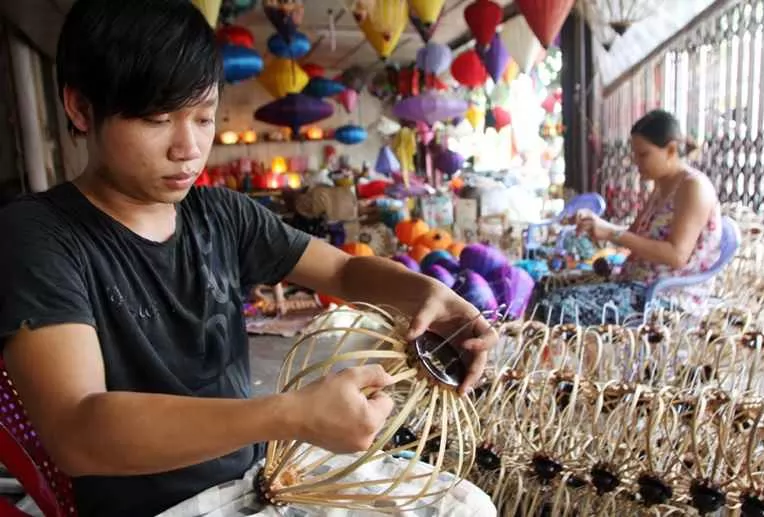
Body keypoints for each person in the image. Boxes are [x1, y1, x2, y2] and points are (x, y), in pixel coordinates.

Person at [0, 1, 497, 516]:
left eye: (203, 117)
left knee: (462, 506)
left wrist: (430, 295)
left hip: (261, 476)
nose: (188, 148)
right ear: (81, 109)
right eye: (157, 120)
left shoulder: (219, 214)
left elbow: (344, 270)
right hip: (167, 507)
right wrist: (290, 415)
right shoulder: (40, 236)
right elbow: (78, 431)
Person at [536, 110, 722, 324]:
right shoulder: (661, 187)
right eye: (634, 154)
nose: (636, 162)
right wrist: (594, 225)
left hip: (667, 298)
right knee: (544, 287)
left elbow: (677, 255)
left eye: (643, 154)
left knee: (555, 307)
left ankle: (594, 356)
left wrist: (612, 232)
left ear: (671, 150)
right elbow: (633, 236)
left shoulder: (693, 187)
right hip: (636, 285)